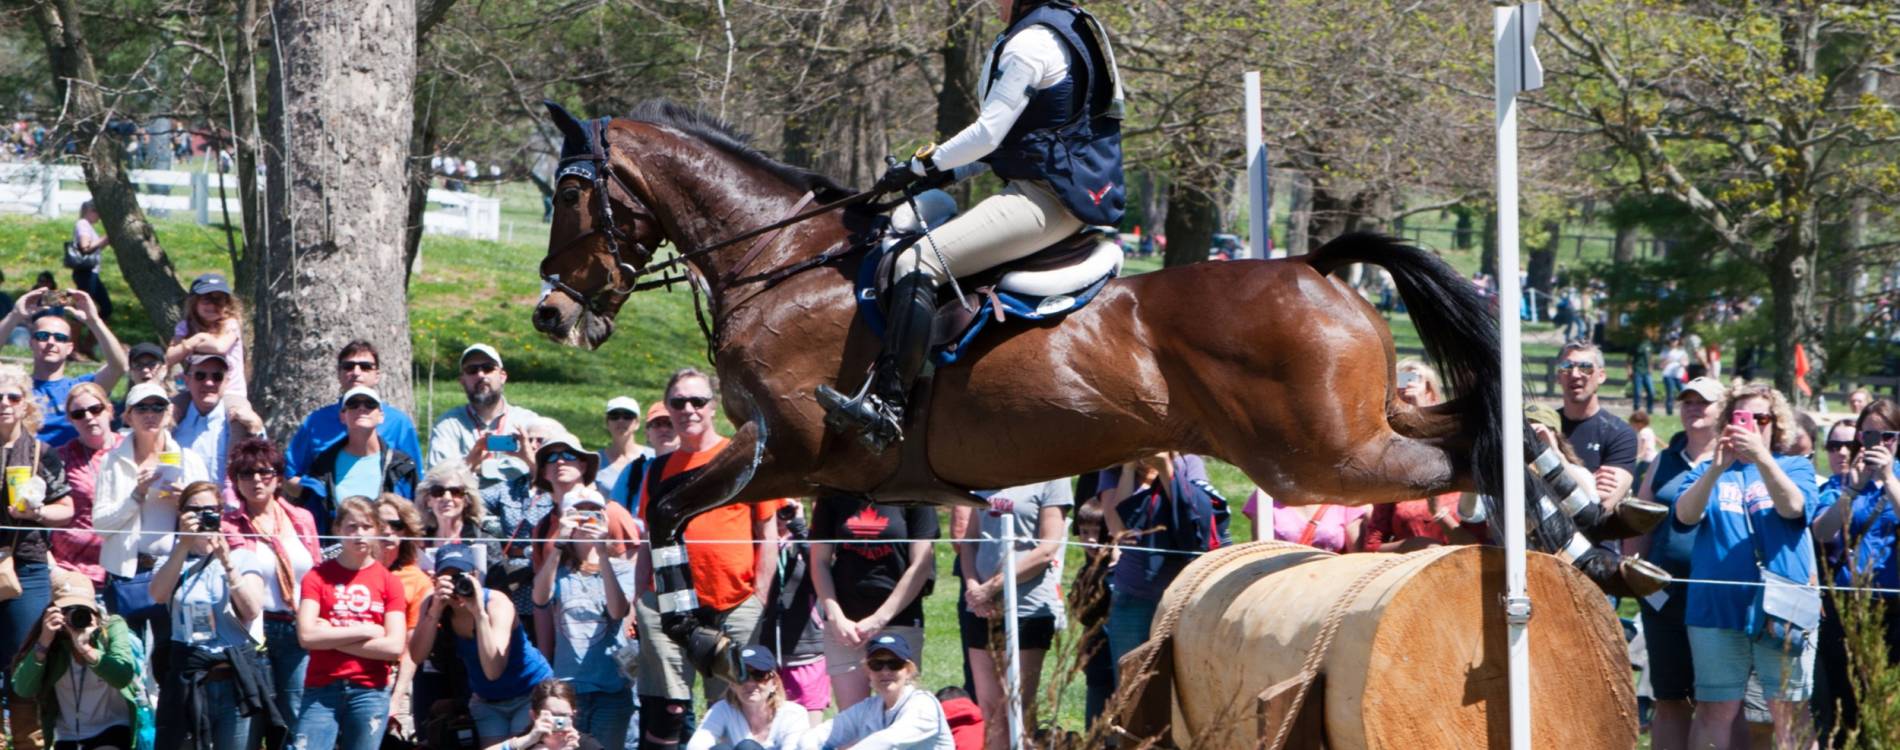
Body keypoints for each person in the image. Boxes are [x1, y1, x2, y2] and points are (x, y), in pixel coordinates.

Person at [814, 0, 1125, 452]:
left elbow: (988, 134)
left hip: (1044, 200)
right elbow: (1018, 139)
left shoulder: (1030, 43)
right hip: (1050, 190)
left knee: (918, 260)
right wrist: (945, 172)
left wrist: (922, 166)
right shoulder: (1059, 29)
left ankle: (888, 407)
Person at [634, 369, 781, 749]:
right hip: (669, 605)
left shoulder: (743, 459)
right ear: (668, 408)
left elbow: (768, 531)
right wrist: (639, 599)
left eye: (697, 401)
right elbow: (650, 539)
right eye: (678, 402)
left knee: (735, 704)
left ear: (714, 406)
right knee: (666, 710)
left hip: (735, 603)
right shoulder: (658, 469)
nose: (688, 409)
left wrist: (759, 596)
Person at [1673, 384, 1820, 750]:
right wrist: (1715, 469)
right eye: (1742, 418)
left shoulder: (1796, 466)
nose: (1752, 425)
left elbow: (1793, 508)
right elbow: (1684, 516)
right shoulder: (1707, 470)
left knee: (1790, 713)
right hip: (1715, 610)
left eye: (1761, 418)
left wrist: (1762, 459)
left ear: (1777, 424)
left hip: (1782, 611)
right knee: (1714, 710)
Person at [1630, 377, 1725, 750]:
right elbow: (1640, 521)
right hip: (1664, 598)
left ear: (1723, 410)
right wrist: (1634, 577)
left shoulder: (1735, 461)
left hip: (1718, 600)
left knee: (1714, 702)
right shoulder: (1663, 460)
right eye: (1687, 401)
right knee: (1669, 698)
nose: (1693, 407)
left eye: (1703, 401)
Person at [91, 382, 207, 680]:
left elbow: (209, 521)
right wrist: (137, 494)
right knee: (126, 663)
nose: (150, 414)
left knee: (170, 665)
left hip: (173, 572)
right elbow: (101, 525)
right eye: (142, 407)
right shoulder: (112, 461)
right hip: (125, 574)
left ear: (169, 414)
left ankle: (169, 711)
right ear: (128, 416)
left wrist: (185, 502)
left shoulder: (189, 459)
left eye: (158, 407)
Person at [149, 482, 272, 750]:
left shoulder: (242, 558)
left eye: (209, 510)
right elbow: (158, 595)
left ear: (221, 513)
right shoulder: (170, 560)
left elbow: (251, 610)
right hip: (190, 677)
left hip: (233, 680)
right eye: (193, 510)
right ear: (181, 514)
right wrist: (183, 545)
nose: (202, 516)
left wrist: (227, 563)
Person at [1809, 403, 1900, 742]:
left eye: (1888, 436)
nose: (1879, 443)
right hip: (1846, 607)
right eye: (1870, 436)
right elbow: (1822, 531)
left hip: (1893, 608)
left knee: (1886, 704)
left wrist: (1888, 479)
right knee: (1844, 704)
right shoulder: (1843, 481)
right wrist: (1853, 489)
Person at [958, 480, 1070, 750]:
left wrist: (991, 587)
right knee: (990, 708)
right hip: (981, 607)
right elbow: (969, 542)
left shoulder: (1053, 478)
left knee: (1018, 707)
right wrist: (973, 587)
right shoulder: (985, 474)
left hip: (1027, 607)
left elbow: (1047, 549)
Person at [220, 438, 318, 746]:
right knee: (253, 717)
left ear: (278, 476)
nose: (256, 480)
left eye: (264, 472)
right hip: (253, 629)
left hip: (297, 626)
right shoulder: (229, 525)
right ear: (236, 481)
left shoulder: (301, 519)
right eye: (246, 474)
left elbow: (315, 571)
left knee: (297, 718)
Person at [408, 543, 553, 748]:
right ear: (436, 580)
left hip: (529, 691)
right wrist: (434, 613)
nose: (456, 586)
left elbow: (494, 670)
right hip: (487, 699)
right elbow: (417, 656)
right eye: (449, 579)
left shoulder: (496, 603)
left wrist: (479, 613)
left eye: (461, 577)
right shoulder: (432, 604)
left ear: (475, 576)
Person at [294, 496, 409, 750]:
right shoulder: (317, 576)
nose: (359, 534)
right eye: (352, 527)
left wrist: (330, 636)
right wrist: (366, 631)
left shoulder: (389, 582)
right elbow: (306, 637)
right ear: (337, 529)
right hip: (322, 687)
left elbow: (393, 646)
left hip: (370, 690)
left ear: (377, 529)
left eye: (367, 527)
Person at [1101, 452, 1228, 681]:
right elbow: (1117, 528)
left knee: (1186, 678)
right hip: (1133, 595)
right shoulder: (1113, 469)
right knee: (1130, 681)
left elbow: (1195, 516)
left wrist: (1166, 470)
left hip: (1185, 595)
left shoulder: (1188, 462)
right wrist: (1128, 469)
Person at [0, 364, 75, 750]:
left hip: (26, 564)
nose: (4, 403)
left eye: (12, 396)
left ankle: (29, 742)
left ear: (25, 404)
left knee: (25, 663)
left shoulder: (41, 452)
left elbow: (68, 509)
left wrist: (38, 512)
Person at [530, 486, 636, 750]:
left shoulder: (621, 568)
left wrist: (602, 552)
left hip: (610, 687)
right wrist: (559, 544)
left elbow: (617, 611)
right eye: (578, 514)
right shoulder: (558, 571)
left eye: (594, 513)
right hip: (567, 693)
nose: (586, 520)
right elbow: (539, 599)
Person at [809, 495, 936, 710]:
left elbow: (922, 564)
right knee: (852, 718)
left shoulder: (914, 491)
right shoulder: (833, 493)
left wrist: (879, 619)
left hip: (899, 620)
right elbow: (819, 561)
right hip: (845, 626)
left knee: (899, 713)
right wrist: (835, 616)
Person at [12, 574, 143, 750]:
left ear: (94, 609)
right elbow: (23, 689)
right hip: (68, 735)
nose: (77, 617)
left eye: (84, 609)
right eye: (67, 610)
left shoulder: (111, 627)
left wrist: (86, 649)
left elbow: (122, 677)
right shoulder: (52, 639)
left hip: (113, 728)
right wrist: (43, 642)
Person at [0, 291, 128, 448]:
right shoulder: (15, 389)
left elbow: (118, 366)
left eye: (60, 338)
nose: (51, 342)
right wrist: (14, 315)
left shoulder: (81, 388)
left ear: (69, 348)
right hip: (25, 460)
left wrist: (94, 320)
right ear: (31, 343)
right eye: (43, 336)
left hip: (70, 461)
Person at [285, 341, 422, 479]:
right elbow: (291, 473)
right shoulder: (317, 422)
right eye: (348, 366)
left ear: (377, 375)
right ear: (339, 374)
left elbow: (414, 476)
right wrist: (317, 488)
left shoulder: (397, 423)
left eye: (365, 367)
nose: (356, 372)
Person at [295, 386, 419, 536]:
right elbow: (312, 517)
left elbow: (414, 515)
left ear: (381, 416)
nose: (361, 408)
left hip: (388, 547)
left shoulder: (402, 466)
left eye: (370, 404)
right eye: (353, 404)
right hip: (336, 547)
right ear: (343, 416)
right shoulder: (322, 465)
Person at [428, 344, 540, 491]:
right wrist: (469, 464)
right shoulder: (447, 425)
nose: (480, 375)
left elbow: (550, 476)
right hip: (467, 504)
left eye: (488, 368)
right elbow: (437, 482)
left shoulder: (528, 422)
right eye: (472, 370)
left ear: (502, 376)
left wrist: (477, 468)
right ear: (462, 381)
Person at [816, 634, 953, 750]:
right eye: (877, 665)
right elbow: (822, 734)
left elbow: (888, 741)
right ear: (868, 671)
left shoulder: (924, 705)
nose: (885, 671)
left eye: (894, 664)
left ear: (908, 670)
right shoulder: (868, 708)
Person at [376, 494, 433, 739]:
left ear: (406, 531)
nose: (387, 531)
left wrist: (397, 698)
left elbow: (412, 646)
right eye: (379, 524)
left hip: (397, 676)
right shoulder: (352, 572)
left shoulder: (417, 580)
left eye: (396, 525)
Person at [1556, 341, 1640, 507]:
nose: (1575, 374)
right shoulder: (1543, 428)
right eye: (1567, 366)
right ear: (1558, 376)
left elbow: (1603, 505)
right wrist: (1589, 484)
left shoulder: (1619, 434)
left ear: (1601, 376)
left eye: (1585, 367)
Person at [51, 383, 118, 590]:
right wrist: (53, 568)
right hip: (72, 570)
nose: (88, 417)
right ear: (70, 420)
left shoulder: (132, 449)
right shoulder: (60, 457)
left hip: (124, 569)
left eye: (95, 409)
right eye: (78, 414)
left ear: (109, 410)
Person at [683, 646, 809, 750]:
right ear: (732, 684)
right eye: (741, 676)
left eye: (759, 675)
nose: (750, 683)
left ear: (774, 684)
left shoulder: (794, 714)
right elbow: (696, 745)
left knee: (748, 747)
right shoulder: (722, 709)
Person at [170, 354, 264, 490]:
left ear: (226, 382)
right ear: (187, 380)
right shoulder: (171, 421)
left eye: (217, 377)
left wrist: (256, 429)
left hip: (227, 502)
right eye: (200, 376)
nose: (209, 383)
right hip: (179, 501)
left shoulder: (240, 423)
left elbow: (263, 464)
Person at [163, 274, 246, 402]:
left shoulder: (230, 323)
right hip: (195, 391)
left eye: (219, 301)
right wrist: (196, 340)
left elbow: (220, 347)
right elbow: (170, 357)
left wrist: (194, 341)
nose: (212, 306)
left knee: (239, 412)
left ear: (227, 303)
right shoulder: (185, 327)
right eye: (206, 300)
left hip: (229, 392)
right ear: (194, 302)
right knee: (171, 408)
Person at [1068, 500, 1112, 729]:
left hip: (1112, 654)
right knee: (1095, 720)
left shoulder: (1117, 571)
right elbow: (1082, 614)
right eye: (1085, 532)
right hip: (1096, 657)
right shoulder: (1087, 570)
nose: (1091, 540)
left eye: (1098, 532)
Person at [483, 679, 603, 750]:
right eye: (552, 715)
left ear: (573, 715)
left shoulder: (587, 746)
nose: (558, 721)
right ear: (534, 716)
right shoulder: (525, 743)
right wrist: (526, 741)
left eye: (564, 716)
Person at [1242, 489, 1367, 552]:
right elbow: (1259, 552)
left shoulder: (1345, 497)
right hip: (1282, 583)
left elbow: (1356, 557)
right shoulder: (1265, 497)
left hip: (1332, 583)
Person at [596, 397, 653, 506]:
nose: (620, 421)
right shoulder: (596, 461)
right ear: (607, 423)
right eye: (614, 416)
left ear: (637, 423)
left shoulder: (653, 457)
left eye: (628, 416)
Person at [68, 203, 112, 322]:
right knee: (81, 306)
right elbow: (85, 247)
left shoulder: (87, 225)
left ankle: (50, 300)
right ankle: (49, 300)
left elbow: (95, 248)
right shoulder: (83, 224)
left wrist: (106, 240)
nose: (100, 216)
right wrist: (107, 236)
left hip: (90, 272)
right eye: (98, 212)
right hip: (86, 272)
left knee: (105, 307)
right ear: (90, 211)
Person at [1659, 336, 1691, 414]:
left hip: (1679, 375)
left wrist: (1683, 363)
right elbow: (1661, 366)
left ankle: (1687, 410)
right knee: (1670, 394)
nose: (1673, 342)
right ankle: (1669, 412)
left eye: (1675, 340)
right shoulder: (1665, 352)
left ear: (1678, 341)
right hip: (1668, 375)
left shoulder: (1682, 352)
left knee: (1684, 393)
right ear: (1669, 341)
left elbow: (1686, 363)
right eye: (1672, 340)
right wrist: (1668, 360)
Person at [1629, 334, 1656, 415]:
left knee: (1651, 391)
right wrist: (1629, 370)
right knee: (1637, 392)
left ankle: (1650, 409)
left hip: (1647, 372)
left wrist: (1651, 367)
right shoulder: (1635, 345)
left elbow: (1651, 356)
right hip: (1637, 370)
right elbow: (1629, 359)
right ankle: (1636, 408)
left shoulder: (1649, 344)